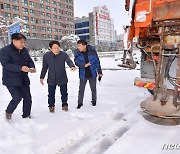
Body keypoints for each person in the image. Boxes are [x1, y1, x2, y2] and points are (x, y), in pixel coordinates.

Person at [0, 33, 36, 120]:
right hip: (11, 79)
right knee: (17, 97)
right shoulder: (5, 51)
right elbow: (6, 65)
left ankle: (26, 116)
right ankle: (8, 112)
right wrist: (20, 68)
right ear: (14, 41)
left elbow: (29, 61)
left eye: (24, 42)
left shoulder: (24, 50)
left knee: (28, 98)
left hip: (23, 78)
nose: (23, 44)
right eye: (21, 42)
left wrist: (32, 67)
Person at [40, 40, 76, 112]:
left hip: (62, 77)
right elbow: (44, 67)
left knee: (64, 93)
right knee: (51, 94)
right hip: (51, 78)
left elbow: (68, 61)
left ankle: (64, 105)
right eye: (55, 48)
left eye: (58, 48)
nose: (57, 50)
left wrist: (72, 66)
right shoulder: (46, 56)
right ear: (51, 48)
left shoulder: (63, 54)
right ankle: (51, 106)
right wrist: (42, 77)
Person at [74, 40, 103, 109]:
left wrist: (99, 72)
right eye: (78, 46)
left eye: (80, 46)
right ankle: (80, 103)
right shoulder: (77, 53)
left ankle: (94, 101)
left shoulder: (92, 52)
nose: (78, 47)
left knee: (93, 88)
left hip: (92, 73)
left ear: (85, 46)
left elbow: (97, 62)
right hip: (83, 74)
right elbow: (76, 62)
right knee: (81, 89)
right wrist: (84, 65)